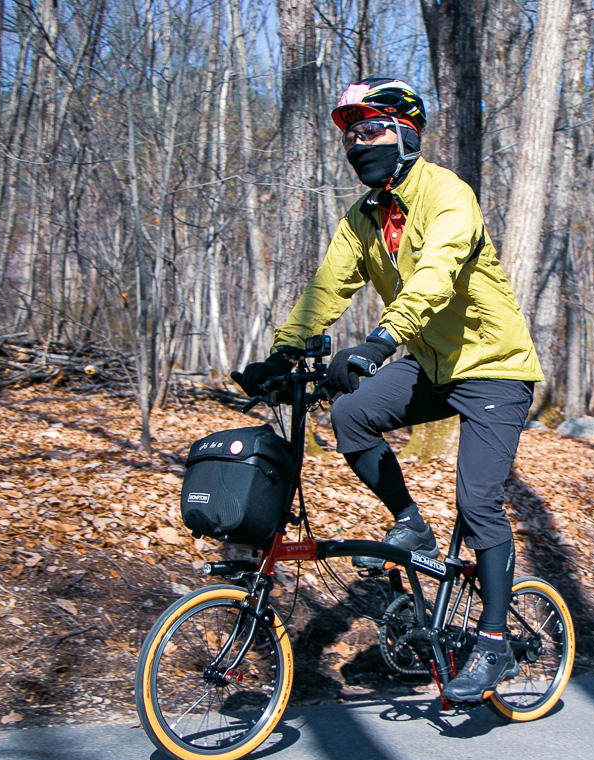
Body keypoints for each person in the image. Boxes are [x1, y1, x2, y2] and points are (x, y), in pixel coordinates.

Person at [233, 78, 543, 703]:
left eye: (370, 130)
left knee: (477, 499)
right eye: (350, 135)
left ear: (406, 132)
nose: (357, 144)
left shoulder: (447, 194)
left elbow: (436, 273)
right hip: (434, 365)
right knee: (350, 414)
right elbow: (327, 288)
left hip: (494, 369)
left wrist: (379, 341)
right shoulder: (364, 219)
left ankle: (492, 643)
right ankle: (411, 524)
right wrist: (282, 352)